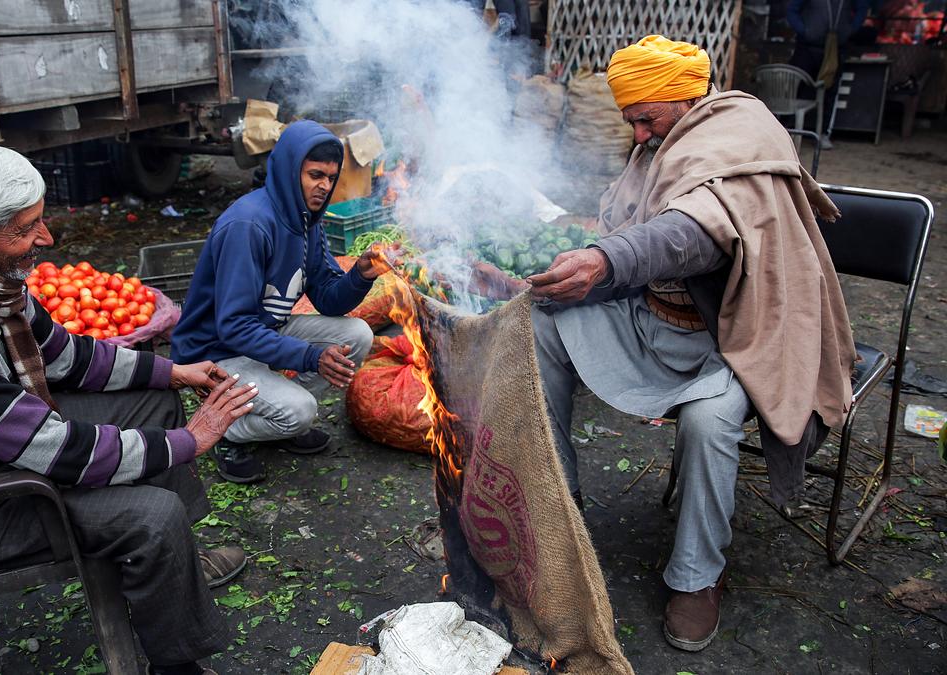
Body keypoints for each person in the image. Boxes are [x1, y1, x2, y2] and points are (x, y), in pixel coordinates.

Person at [474, 36, 855, 652]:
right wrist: (560, 272)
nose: (640, 135)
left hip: (731, 340)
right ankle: (560, 509)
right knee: (537, 321)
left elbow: (689, 237)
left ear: (681, 97)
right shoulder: (661, 143)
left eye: (645, 118)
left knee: (708, 425)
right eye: (631, 121)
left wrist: (604, 260)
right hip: (648, 320)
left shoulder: (738, 137)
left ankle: (698, 577)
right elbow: (626, 226)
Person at [0, 141, 258, 675]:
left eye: (39, 220)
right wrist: (191, 441)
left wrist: (174, 371)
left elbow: (62, 355)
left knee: (156, 401)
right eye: (22, 229)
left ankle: (175, 571)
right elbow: (60, 451)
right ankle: (176, 662)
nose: (46, 238)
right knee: (154, 515)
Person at [171, 121, 386, 484]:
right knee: (302, 410)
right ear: (290, 170)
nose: (325, 186)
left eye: (331, 177)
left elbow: (328, 300)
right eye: (315, 174)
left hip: (264, 329)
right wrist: (310, 357)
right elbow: (234, 325)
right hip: (216, 350)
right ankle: (225, 429)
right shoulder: (249, 225)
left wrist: (360, 275)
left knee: (358, 335)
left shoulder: (307, 220)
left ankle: (279, 420)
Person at [787, 0, 872, 144]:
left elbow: (862, 9)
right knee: (799, 87)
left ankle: (823, 133)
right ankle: (788, 130)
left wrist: (850, 30)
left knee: (830, 89)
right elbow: (791, 10)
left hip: (835, 48)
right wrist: (804, 31)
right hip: (807, 47)